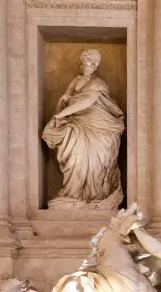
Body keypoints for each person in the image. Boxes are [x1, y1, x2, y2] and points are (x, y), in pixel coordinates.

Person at [42, 49, 125, 208]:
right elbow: (66, 98)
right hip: (77, 122)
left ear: (96, 66)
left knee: (96, 161)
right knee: (75, 154)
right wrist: (61, 113)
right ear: (81, 62)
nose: (90, 62)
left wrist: (59, 116)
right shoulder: (76, 80)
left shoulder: (98, 83)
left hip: (100, 127)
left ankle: (97, 195)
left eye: (94, 61)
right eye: (86, 59)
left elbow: (86, 102)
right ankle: (73, 194)